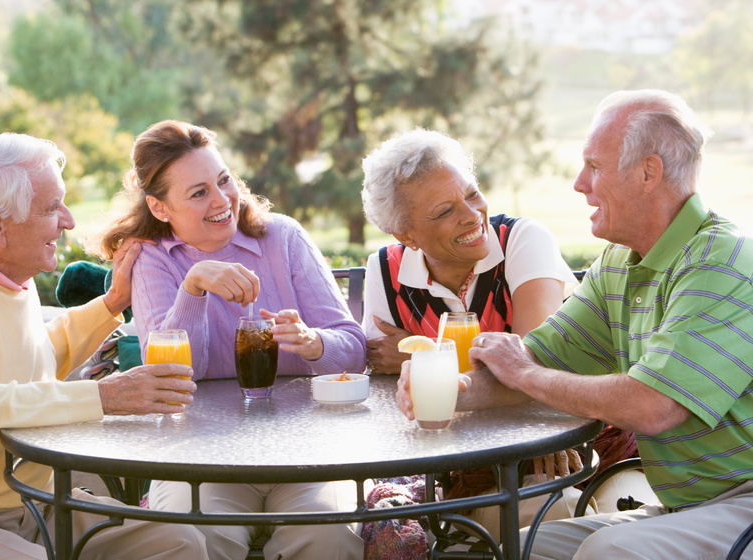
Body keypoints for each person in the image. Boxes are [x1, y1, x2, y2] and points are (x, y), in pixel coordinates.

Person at [398, 89, 753, 559]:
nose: (579, 183)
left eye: (595, 166)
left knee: (606, 552)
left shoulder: (723, 261)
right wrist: (454, 387)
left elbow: (655, 406)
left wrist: (525, 374)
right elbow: (538, 359)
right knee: (525, 547)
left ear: (649, 172)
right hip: (688, 506)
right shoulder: (619, 264)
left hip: (742, 500)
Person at [0, 132, 207, 559]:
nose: (68, 220)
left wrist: (111, 304)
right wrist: (103, 396)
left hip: (37, 504)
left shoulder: (7, 269)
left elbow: (30, 359)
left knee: (178, 543)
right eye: (52, 208)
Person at [96, 120, 366, 560]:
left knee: (327, 538)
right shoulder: (152, 260)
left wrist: (313, 342)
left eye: (224, 181)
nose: (222, 201)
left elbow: (353, 349)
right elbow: (172, 375)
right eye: (198, 192)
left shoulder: (283, 237)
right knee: (195, 542)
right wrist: (193, 288)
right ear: (160, 208)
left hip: (308, 451)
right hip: (199, 457)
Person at [360, 128, 637, 544]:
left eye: (471, 194)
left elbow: (535, 361)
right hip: (475, 464)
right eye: (444, 211)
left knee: (563, 517)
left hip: (582, 440)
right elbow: (386, 379)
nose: (471, 215)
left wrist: (423, 361)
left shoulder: (523, 240)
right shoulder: (385, 271)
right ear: (406, 234)